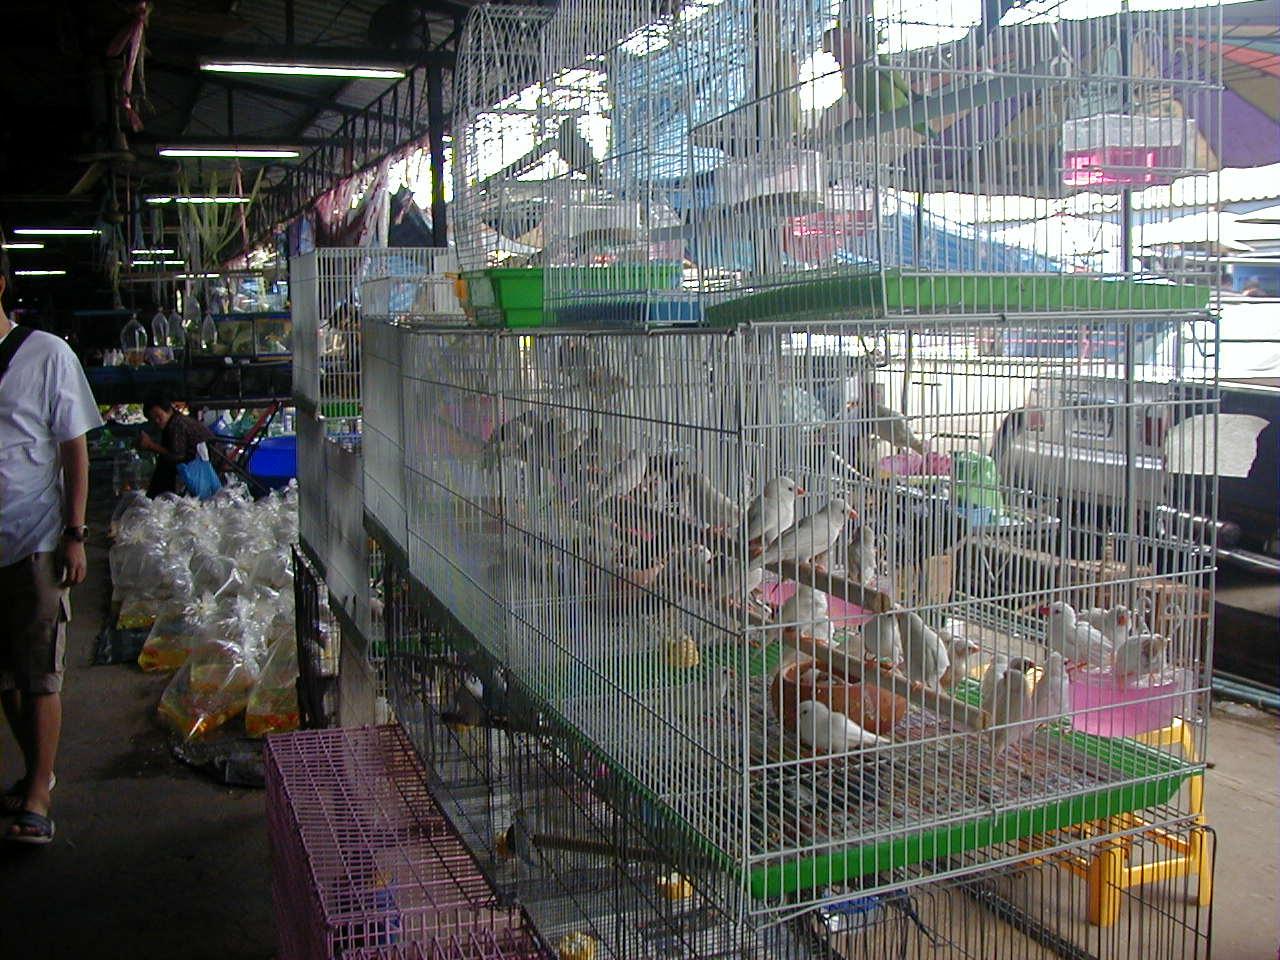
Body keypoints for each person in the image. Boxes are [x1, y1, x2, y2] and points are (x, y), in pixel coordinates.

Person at [0, 252, 102, 844]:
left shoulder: (46, 354)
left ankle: (39, 792)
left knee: (40, 672)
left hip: (34, 539)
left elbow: (73, 449)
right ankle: (36, 770)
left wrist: (74, 533)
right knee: (7, 678)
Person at [138, 393, 217, 498]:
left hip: (195, 465)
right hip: (194, 462)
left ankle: (157, 498)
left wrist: (150, 445)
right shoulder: (175, 421)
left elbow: (178, 455)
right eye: (153, 419)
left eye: (158, 416)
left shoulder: (177, 424)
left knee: (165, 469)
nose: (157, 421)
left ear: (168, 410)